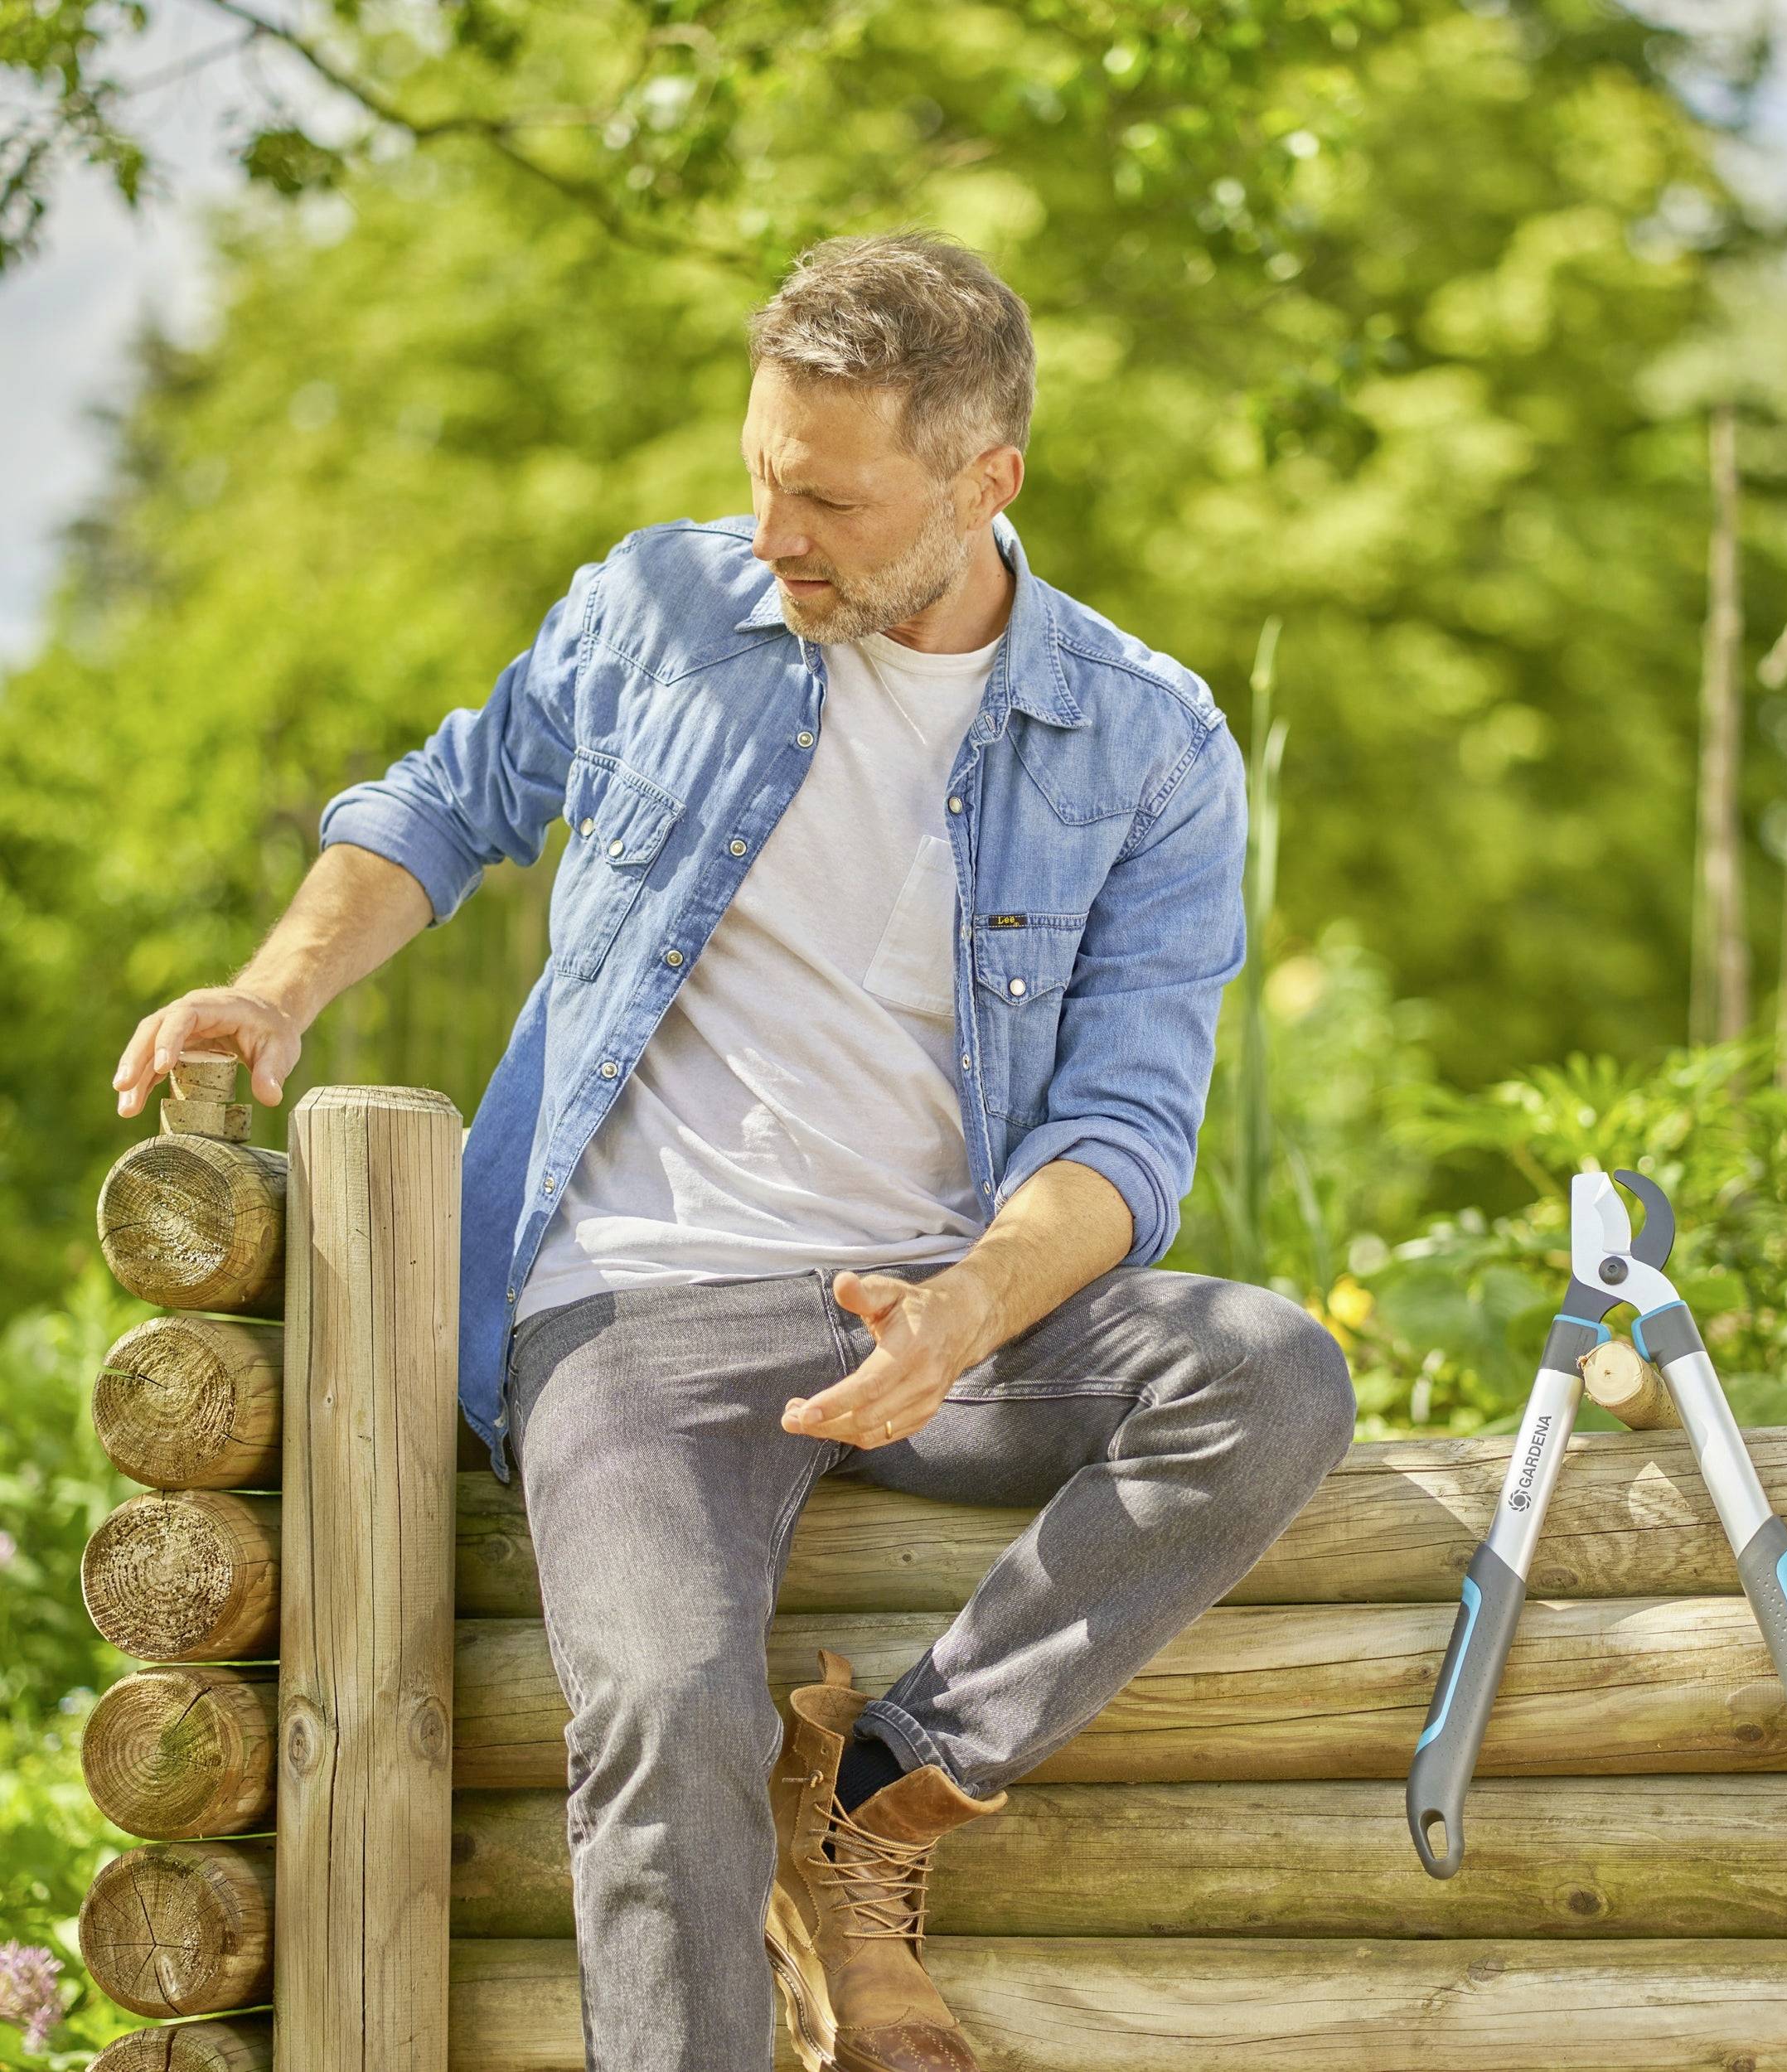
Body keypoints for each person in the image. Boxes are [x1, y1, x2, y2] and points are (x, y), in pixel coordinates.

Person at [109, 230, 1357, 2072]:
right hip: (637, 1303)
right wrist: (279, 989)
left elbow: (1120, 1127)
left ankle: (881, 1786)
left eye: (833, 501)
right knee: (668, 1700)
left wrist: (957, 1310)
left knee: (1266, 1373)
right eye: (763, 473)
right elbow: (443, 802)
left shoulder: (1148, 738)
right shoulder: (659, 610)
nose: (778, 531)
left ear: (983, 480)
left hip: (937, 1310)